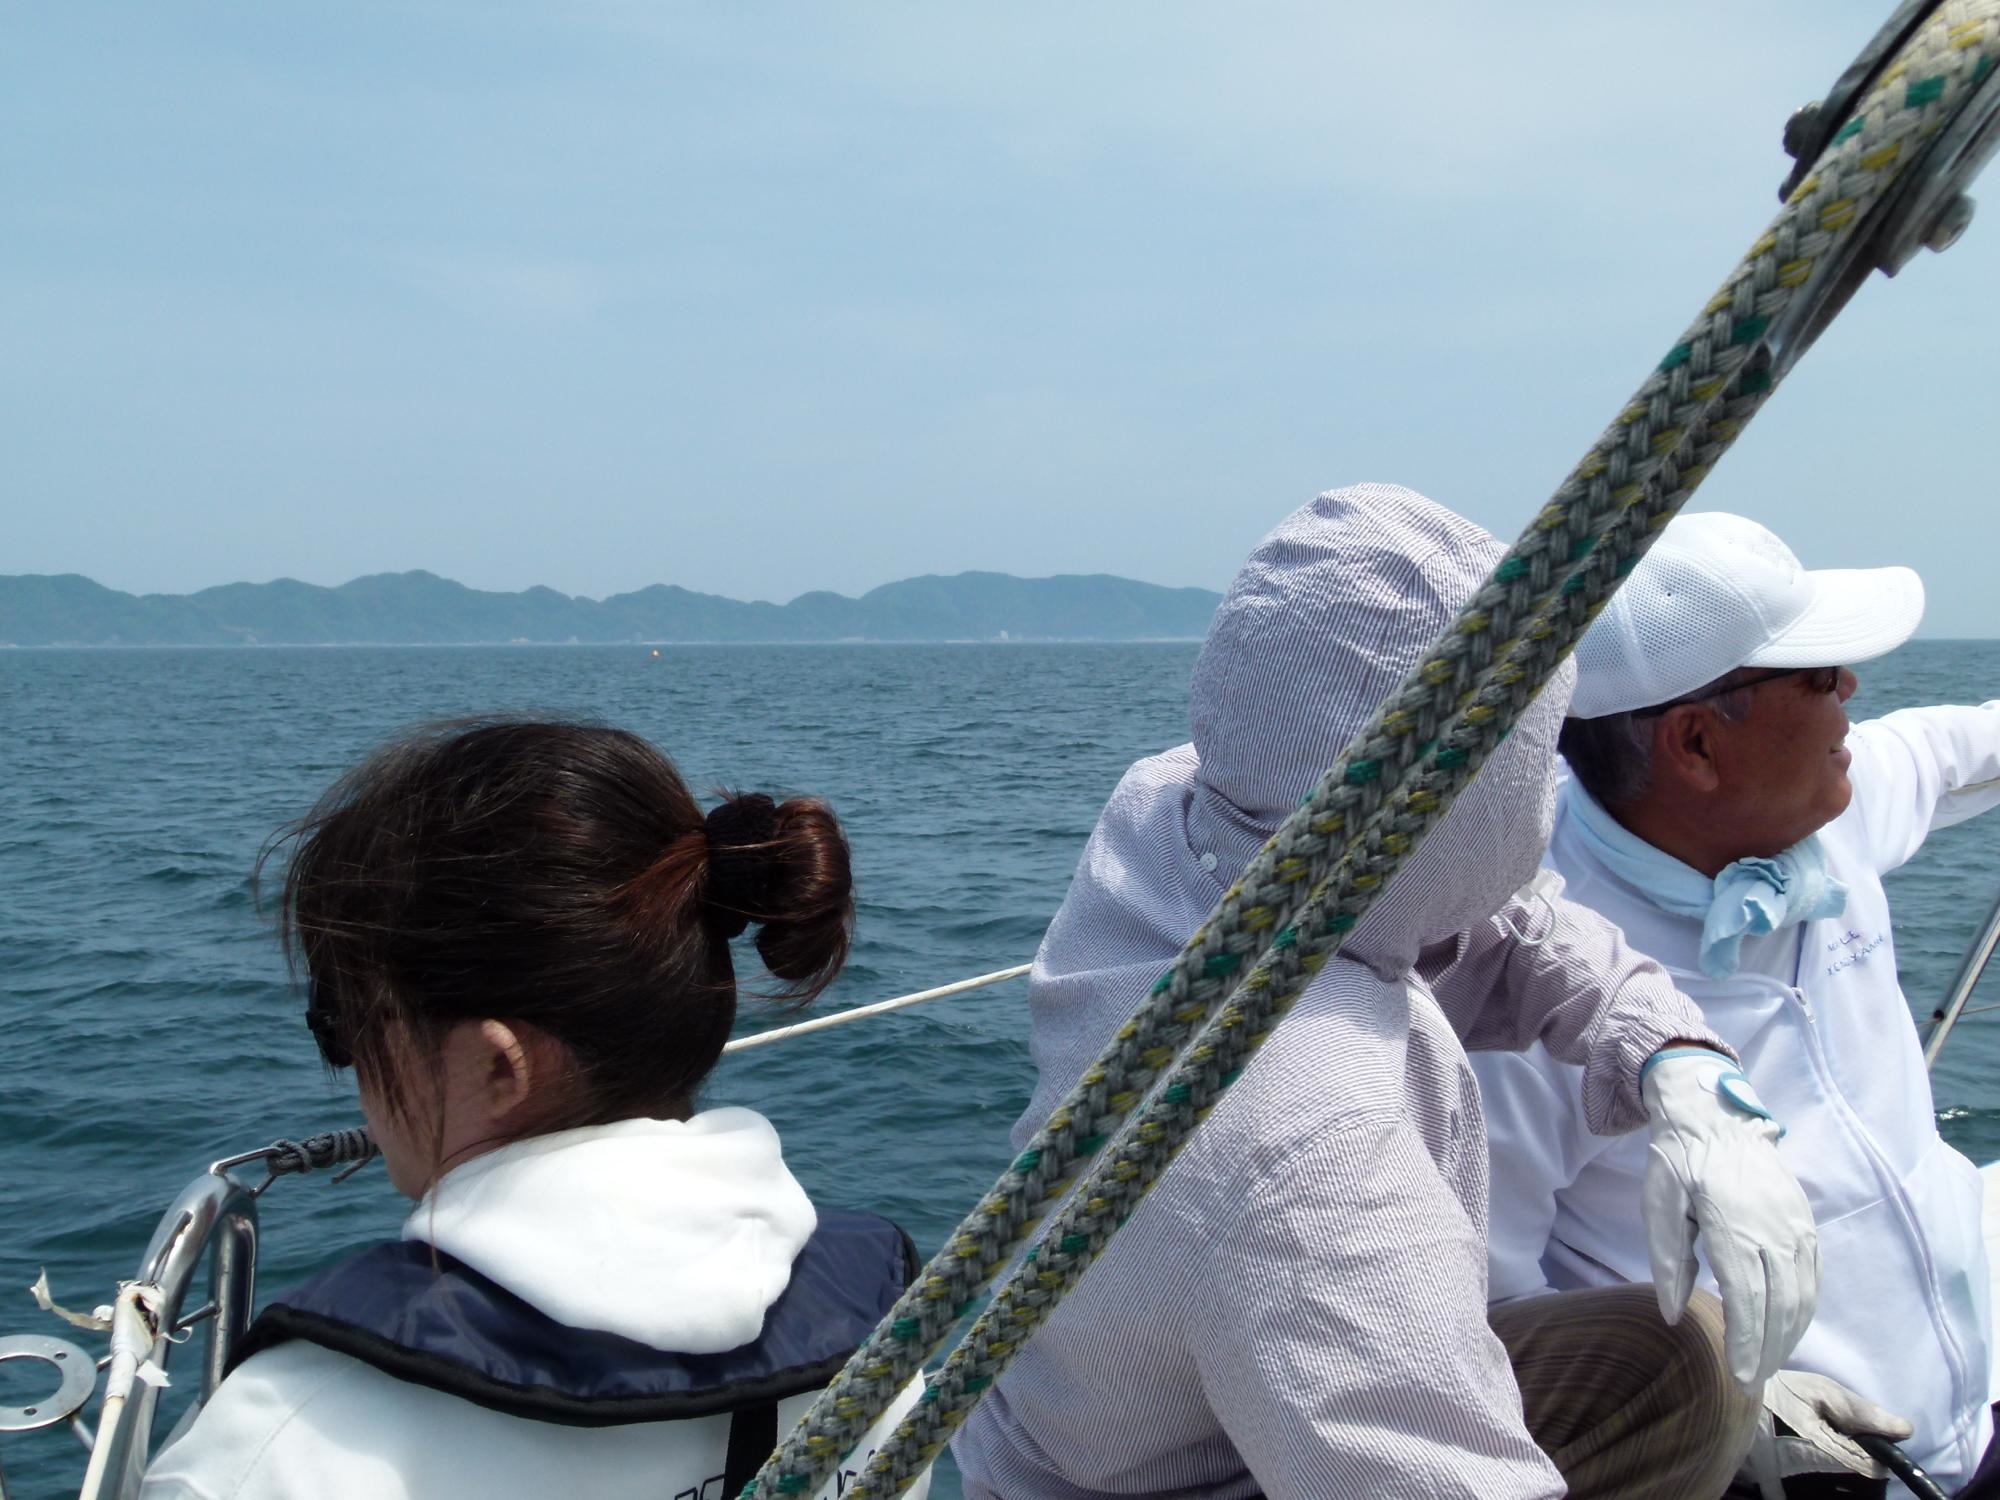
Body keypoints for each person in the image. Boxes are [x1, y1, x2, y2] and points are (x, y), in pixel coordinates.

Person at [951, 485, 1818, 1500]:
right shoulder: (1314, 1164)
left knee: (1676, 1365)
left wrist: (1682, 1067)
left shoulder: (1200, 810)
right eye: (1533, 750)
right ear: (1473, 793)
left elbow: (1518, 928)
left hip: (1125, 1409)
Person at [141, 720, 928, 1500]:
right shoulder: (878, 1334)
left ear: (495, 1066)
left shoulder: (278, 1448)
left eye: (343, 1020)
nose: (350, 1063)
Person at [1471, 511, 2000, 1497]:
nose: (1851, 691)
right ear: (1697, 743)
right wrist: (1738, 1415)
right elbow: (1489, 1305)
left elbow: (1947, 751)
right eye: (1820, 675)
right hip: (1800, 1471)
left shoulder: (1817, 806)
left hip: (1966, 1420)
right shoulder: (1520, 985)